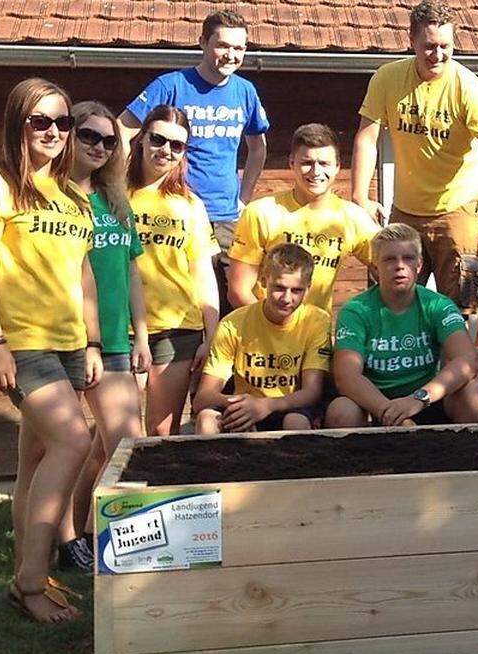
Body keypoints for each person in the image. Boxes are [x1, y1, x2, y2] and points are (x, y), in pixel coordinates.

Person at [0, 78, 100, 622]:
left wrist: (92, 341)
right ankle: (31, 582)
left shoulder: (73, 195)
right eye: (39, 121)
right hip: (22, 344)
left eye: (62, 122)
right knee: (74, 440)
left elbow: (83, 275)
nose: (52, 131)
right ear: (18, 123)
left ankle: (28, 575)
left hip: (68, 344)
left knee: (35, 461)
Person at [351, 0, 478, 314]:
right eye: (429, 46)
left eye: (445, 46)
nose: (437, 55)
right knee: (390, 299)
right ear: (411, 41)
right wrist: (360, 196)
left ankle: (463, 362)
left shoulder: (469, 88)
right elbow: (367, 137)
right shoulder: (387, 79)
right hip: (405, 210)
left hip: (458, 209)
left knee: (463, 303)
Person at [119, 9, 269, 312]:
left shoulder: (245, 92)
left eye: (239, 48)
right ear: (202, 42)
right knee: (179, 296)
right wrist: (122, 189)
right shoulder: (171, 85)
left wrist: (245, 197)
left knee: (230, 302)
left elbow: (258, 148)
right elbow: (122, 132)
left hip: (226, 217)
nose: (231, 55)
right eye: (223, 45)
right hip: (175, 208)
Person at [57, 101, 151, 572]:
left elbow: (131, 271)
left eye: (108, 139)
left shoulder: (116, 201)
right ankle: (74, 539)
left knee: (108, 447)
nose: (98, 146)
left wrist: (142, 335)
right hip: (68, 341)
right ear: (69, 135)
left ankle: (84, 534)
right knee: (76, 446)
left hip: (116, 339)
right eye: (88, 135)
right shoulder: (54, 199)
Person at [326, 223, 478, 427]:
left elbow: (468, 360)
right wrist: (391, 413)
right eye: (389, 259)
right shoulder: (356, 310)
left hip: (426, 400)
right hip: (375, 406)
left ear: (419, 265)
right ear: (375, 268)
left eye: (408, 258)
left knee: (475, 392)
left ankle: (467, 458)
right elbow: (347, 377)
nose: (399, 266)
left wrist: (419, 399)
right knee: (341, 410)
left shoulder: (438, 305)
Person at [128, 105, 221, 436]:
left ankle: (155, 491)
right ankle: (89, 491)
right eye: (157, 139)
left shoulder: (191, 205)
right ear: (141, 140)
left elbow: (203, 272)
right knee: (116, 431)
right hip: (120, 328)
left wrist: (211, 335)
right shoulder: (112, 194)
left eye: (176, 145)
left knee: (161, 431)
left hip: (178, 329)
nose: (165, 151)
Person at [228, 123, 380, 314]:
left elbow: (391, 269)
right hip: (265, 333)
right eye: (307, 163)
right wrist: (276, 327)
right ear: (292, 163)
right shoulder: (261, 213)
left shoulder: (353, 218)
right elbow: (238, 291)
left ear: (338, 166)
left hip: (315, 335)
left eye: (324, 164)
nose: (316, 172)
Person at [194, 244, 331, 433]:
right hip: (245, 407)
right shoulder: (233, 323)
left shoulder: (317, 321)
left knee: (295, 422)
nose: (286, 298)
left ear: (308, 289)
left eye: (296, 290)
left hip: (291, 407)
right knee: (207, 420)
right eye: (279, 287)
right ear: (264, 281)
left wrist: (265, 406)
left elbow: (312, 392)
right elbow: (203, 397)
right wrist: (241, 406)